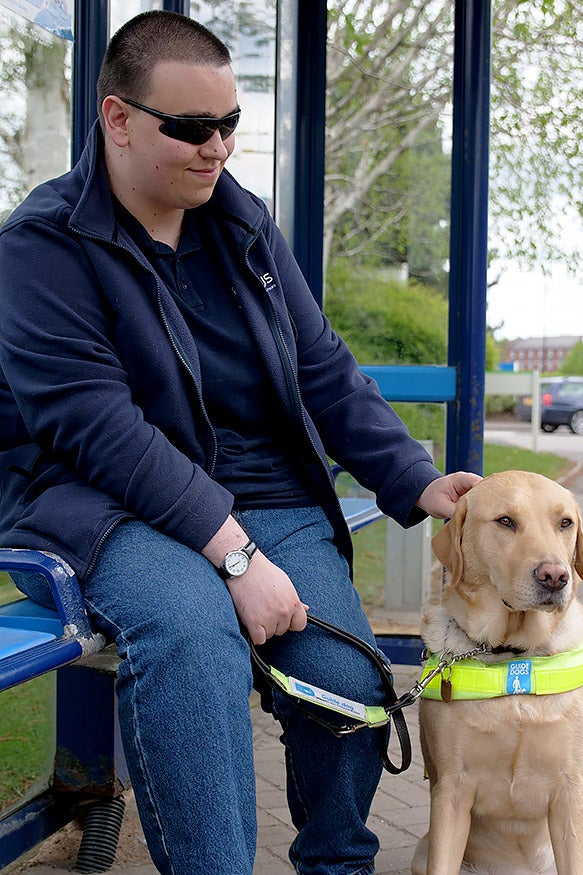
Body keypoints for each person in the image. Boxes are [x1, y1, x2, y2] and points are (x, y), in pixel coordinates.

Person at [0, 11, 480, 875]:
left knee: (346, 678)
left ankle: (339, 865)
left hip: (267, 492)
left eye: (228, 125)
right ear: (115, 118)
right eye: (188, 127)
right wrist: (233, 557)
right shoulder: (42, 249)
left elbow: (322, 367)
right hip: (106, 504)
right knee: (191, 639)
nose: (214, 147)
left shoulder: (240, 220)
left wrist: (417, 479)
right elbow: (97, 430)